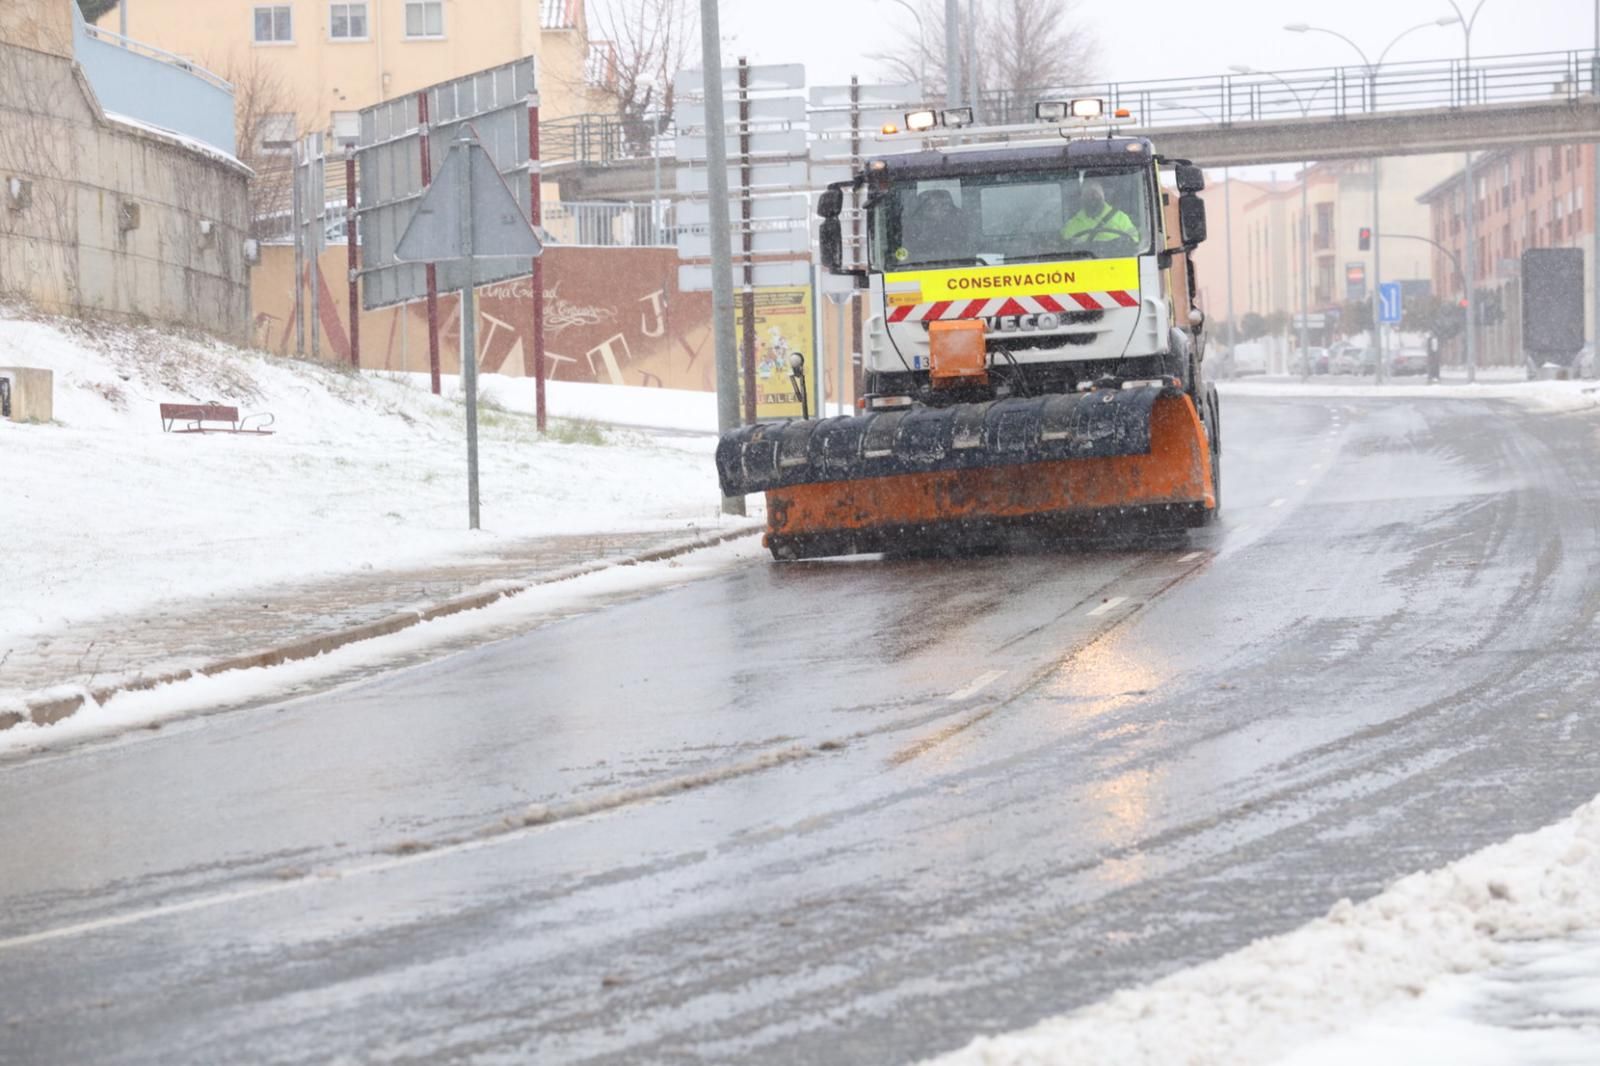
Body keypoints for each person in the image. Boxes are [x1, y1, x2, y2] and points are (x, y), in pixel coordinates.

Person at [1061, 180, 1139, 248]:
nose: (1092, 197)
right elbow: (1065, 248)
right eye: (1088, 193)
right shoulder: (1072, 225)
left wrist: (1119, 244)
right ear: (1082, 198)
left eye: (1096, 193)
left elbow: (1135, 240)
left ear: (1103, 196)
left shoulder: (1121, 218)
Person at [903, 189, 965, 259]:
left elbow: (967, 248)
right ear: (923, 211)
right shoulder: (914, 226)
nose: (943, 209)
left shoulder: (959, 223)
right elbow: (907, 253)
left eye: (945, 205)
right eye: (931, 207)